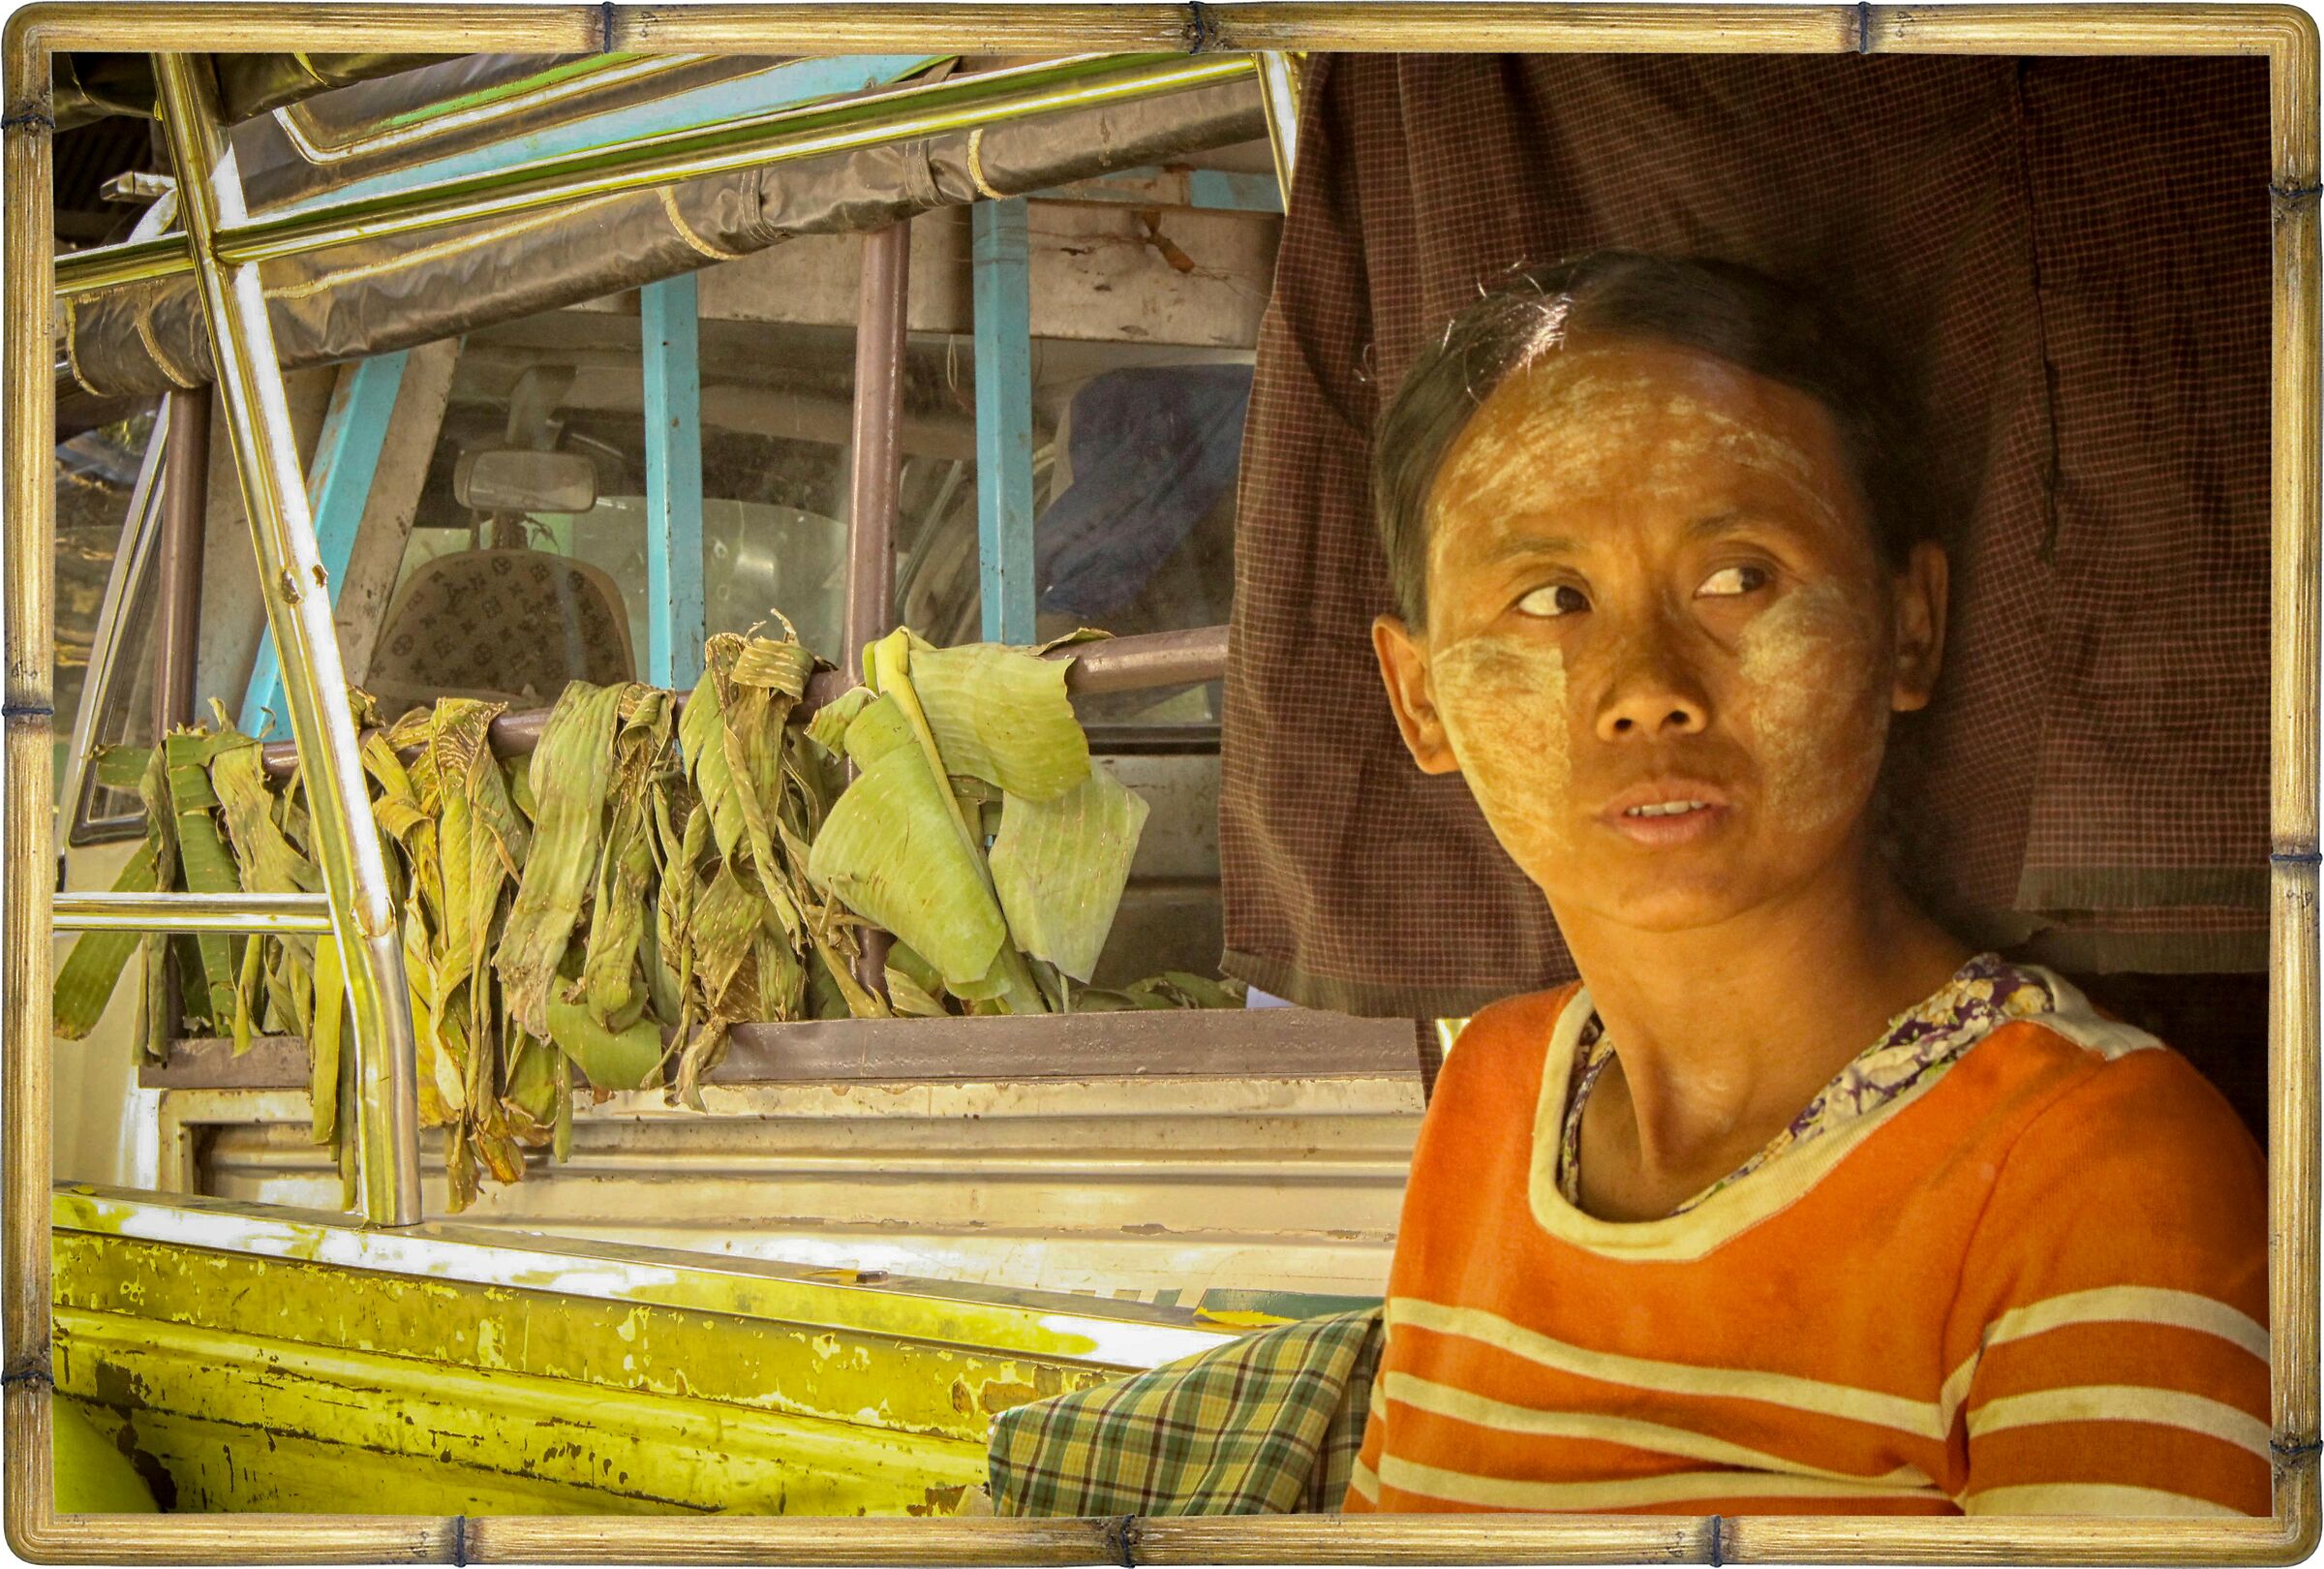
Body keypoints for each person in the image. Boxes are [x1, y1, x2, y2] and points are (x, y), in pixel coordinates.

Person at [1351, 251, 2270, 1517]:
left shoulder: (2086, 1173)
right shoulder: (1490, 1093)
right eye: (1551, 598)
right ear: (1420, 698)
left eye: (1738, 577)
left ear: (1910, 626)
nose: (1646, 688)